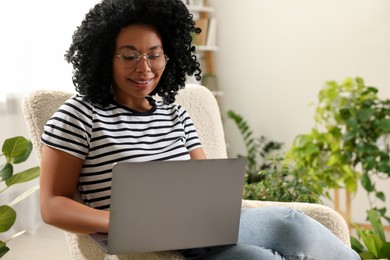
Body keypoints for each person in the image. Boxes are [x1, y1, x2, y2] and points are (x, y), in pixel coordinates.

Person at [39, 0, 360, 259]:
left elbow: (206, 186)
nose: (144, 68)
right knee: (283, 229)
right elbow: (53, 204)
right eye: (129, 56)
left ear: (171, 56)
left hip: (196, 228)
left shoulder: (175, 113)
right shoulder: (80, 114)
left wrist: (207, 212)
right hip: (142, 236)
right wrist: (120, 222)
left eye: (155, 55)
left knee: (268, 245)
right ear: (103, 57)